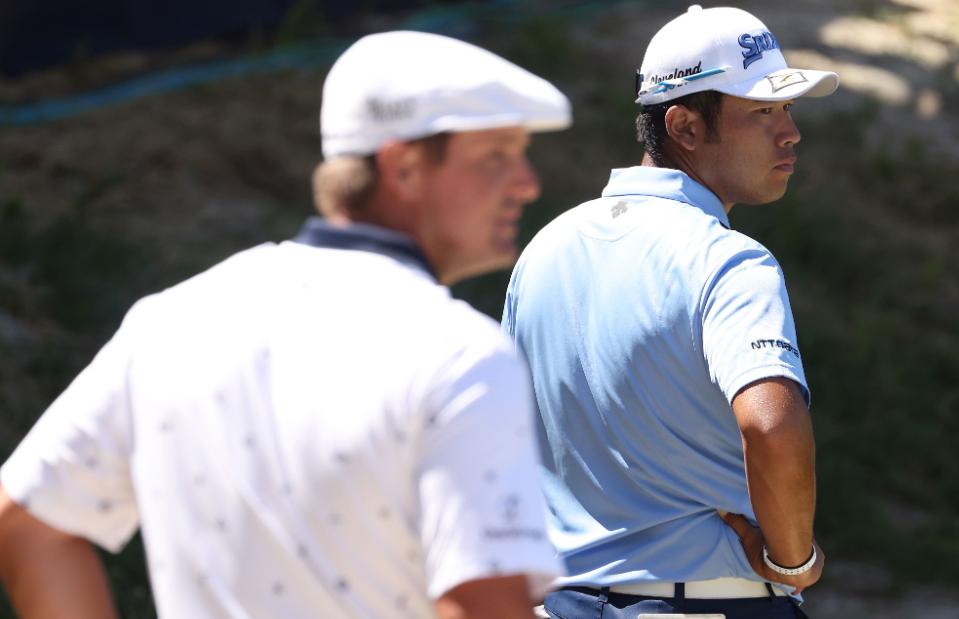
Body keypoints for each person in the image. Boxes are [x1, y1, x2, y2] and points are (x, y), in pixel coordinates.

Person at [0, 31, 572, 619]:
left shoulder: (171, 324)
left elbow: (27, 524)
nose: (527, 183)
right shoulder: (459, 353)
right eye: (496, 157)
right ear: (402, 168)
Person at [502, 5, 839, 618]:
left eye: (787, 110)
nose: (789, 133)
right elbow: (771, 425)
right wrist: (793, 561)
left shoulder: (544, 248)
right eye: (762, 112)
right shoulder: (731, 261)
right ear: (684, 126)